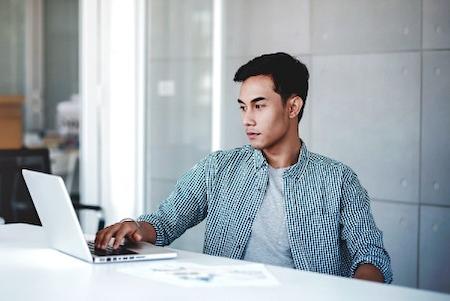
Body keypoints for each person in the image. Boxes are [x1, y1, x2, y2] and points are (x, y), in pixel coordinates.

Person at [95, 52, 392, 283]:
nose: (247, 119)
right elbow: (164, 223)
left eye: (259, 106)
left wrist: (357, 293)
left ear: (293, 107)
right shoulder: (218, 168)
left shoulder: (338, 180)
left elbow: (371, 256)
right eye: (242, 106)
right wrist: (136, 228)